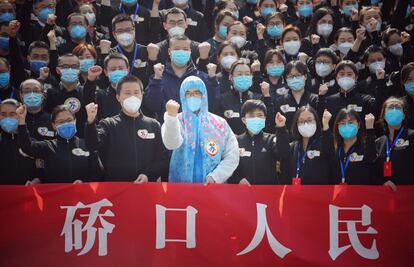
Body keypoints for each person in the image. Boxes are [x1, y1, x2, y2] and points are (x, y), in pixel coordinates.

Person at [85, 75, 168, 182]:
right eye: (127, 93)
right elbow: (92, 144)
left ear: (142, 95)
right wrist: (91, 122)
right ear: (118, 97)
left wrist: (148, 174)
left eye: (136, 92)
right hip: (116, 189)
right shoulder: (108, 124)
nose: (132, 97)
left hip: (146, 188)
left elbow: (162, 159)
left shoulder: (154, 125)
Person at [161, 76, 239, 184]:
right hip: (181, 188)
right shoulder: (176, 120)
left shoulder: (219, 124)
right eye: (188, 93)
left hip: (212, 189)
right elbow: (171, 144)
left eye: (197, 92)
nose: (192, 96)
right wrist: (171, 117)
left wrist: (216, 176)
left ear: (204, 95)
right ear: (183, 96)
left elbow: (232, 154)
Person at [17, 104, 102, 184]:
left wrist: (84, 182)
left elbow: (97, 172)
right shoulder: (48, 146)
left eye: (69, 120)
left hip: (82, 196)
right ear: (54, 125)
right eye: (60, 122)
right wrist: (21, 121)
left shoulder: (86, 144)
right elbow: (27, 147)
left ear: (75, 121)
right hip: (56, 198)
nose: (65, 124)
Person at [229, 99, 290, 185]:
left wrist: (281, 128)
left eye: (260, 115)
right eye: (251, 116)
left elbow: (283, 153)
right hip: (244, 193)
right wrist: (238, 180)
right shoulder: (236, 141)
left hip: (268, 193)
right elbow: (229, 167)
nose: (256, 118)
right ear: (243, 120)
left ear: (264, 119)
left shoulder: (271, 139)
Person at [280, 106, 334, 185]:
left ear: (316, 121)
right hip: (294, 194)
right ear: (296, 124)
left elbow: (329, 152)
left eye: (309, 120)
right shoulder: (292, 147)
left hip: (318, 195)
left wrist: (325, 125)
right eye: (301, 121)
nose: (305, 124)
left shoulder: (323, 143)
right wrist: (280, 128)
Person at [374, 97, 414, 187]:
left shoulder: (412, 136)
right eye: (391, 107)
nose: (394, 110)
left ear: (403, 115)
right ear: (384, 115)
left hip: (409, 195)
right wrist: (382, 183)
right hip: (387, 195)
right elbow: (374, 172)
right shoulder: (378, 142)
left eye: (398, 107)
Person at [331, 108, 376, 185]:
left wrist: (370, 129)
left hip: (360, 194)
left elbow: (371, 157)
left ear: (358, 125)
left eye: (350, 122)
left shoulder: (365, 146)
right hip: (338, 195)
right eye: (342, 123)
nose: (347, 126)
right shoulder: (334, 148)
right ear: (337, 127)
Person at [0, 98, 35, 185]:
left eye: (12, 114)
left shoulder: (30, 141)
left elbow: (40, 168)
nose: (7, 118)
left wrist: (36, 180)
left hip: (26, 193)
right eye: (3, 114)